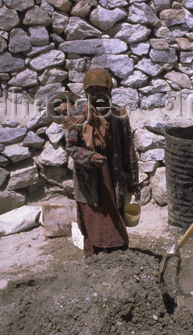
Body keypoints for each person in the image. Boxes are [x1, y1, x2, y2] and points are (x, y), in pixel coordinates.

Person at [65, 68, 140, 258]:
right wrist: (89, 157)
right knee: (93, 218)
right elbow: (72, 147)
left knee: (114, 217)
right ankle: (95, 256)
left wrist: (133, 182)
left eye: (101, 90)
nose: (97, 95)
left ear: (109, 89)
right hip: (88, 179)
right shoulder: (78, 115)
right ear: (85, 92)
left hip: (113, 177)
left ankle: (117, 255)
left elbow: (128, 148)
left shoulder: (119, 114)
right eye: (92, 91)